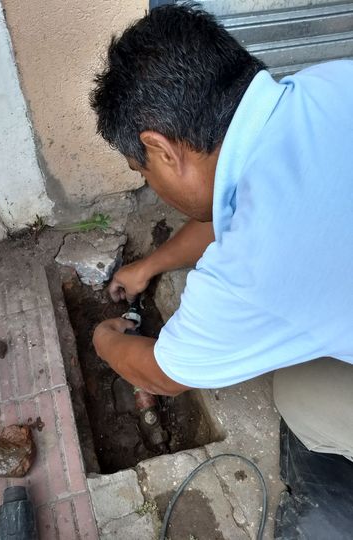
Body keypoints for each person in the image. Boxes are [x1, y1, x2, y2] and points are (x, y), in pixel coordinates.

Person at [90, 5, 353, 536]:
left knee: (301, 394)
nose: (151, 186)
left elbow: (161, 374)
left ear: (159, 149)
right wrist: (150, 267)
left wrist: (104, 340)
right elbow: (238, 207)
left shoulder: (251, 272)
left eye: (141, 171)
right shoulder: (328, 83)